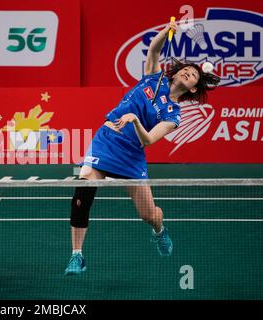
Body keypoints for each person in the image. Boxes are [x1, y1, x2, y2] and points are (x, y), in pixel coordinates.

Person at [65, 20, 220, 275]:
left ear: (192, 88)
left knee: (150, 215)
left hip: (131, 156)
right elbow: (153, 51)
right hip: (106, 140)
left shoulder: (173, 115)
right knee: (82, 192)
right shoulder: (153, 77)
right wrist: (167, 31)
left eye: (193, 75)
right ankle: (77, 256)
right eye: (187, 69)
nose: (188, 73)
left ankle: (159, 231)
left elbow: (147, 140)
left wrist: (135, 120)